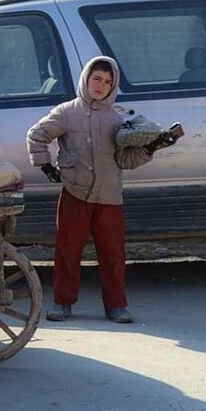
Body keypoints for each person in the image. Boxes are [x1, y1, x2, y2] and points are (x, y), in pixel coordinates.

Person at [26, 56, 176, 324]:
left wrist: (151, 148)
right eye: (96, 78)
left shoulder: (117, 120)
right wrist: (46, 166)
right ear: (86, 79)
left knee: (113, 254)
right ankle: (62, 303)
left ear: (113, 86)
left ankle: (116, 306)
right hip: (75, 192)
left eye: (107, 82)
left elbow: (125, 161)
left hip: (109, 197)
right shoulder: (66, 112)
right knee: (68, 250)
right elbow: (36, 136)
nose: (101, 85)